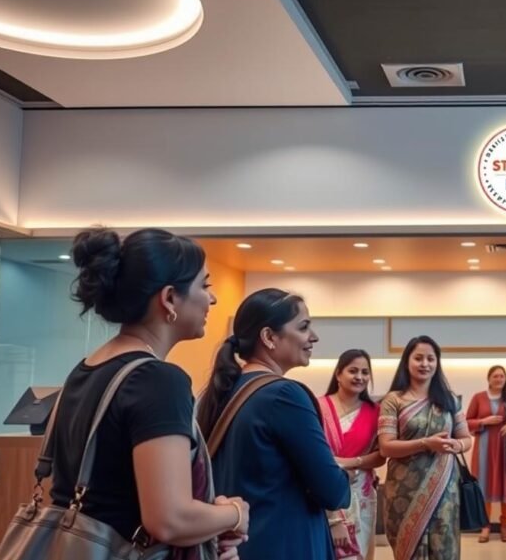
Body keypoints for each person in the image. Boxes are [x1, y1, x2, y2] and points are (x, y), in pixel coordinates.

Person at [51, 228, 247, 559]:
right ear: (169, 298)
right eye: (205, 285)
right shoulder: (157, 380)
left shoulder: (88, 369)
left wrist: (206, 522)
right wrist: (235, 513)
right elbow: (168, 520)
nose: (211, 299)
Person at [198, 288, 351, 560]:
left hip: (240, 545)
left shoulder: (223, 392)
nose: (313, 337)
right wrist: (343, 471)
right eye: (303, 327)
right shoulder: (285, 395)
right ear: (269, 337)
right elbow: (333, 491)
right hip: (286, 544)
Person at [378, 335, 473, 560]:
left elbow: (467, 439)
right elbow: (386, 447)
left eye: (431, 359)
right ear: (407, 361)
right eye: (418, 358)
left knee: (445, 548)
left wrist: (456, 444)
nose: (425, 364)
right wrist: (425, 444)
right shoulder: (393, 400)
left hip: (444, 489)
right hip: (403, 491)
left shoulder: (449, 400)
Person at [319, 349, 386, 560]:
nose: (360, 377)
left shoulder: (376, 411)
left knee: (359, 552)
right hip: (325, 492)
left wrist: (348, 462)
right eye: (353, 371)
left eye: (365, 372)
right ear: (338, 374)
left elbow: (381, 455)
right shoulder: (318, 406)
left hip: (361, 495)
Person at [465, 365, 506, 543]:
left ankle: (505, 526)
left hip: (505, 449)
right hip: (484, 449)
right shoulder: (478, 398)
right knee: (482, 487)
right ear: (489, 379)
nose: (499, 379)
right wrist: (483, 421)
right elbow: (466, 422)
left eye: (502, 376)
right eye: (495, 376)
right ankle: (485, 527)